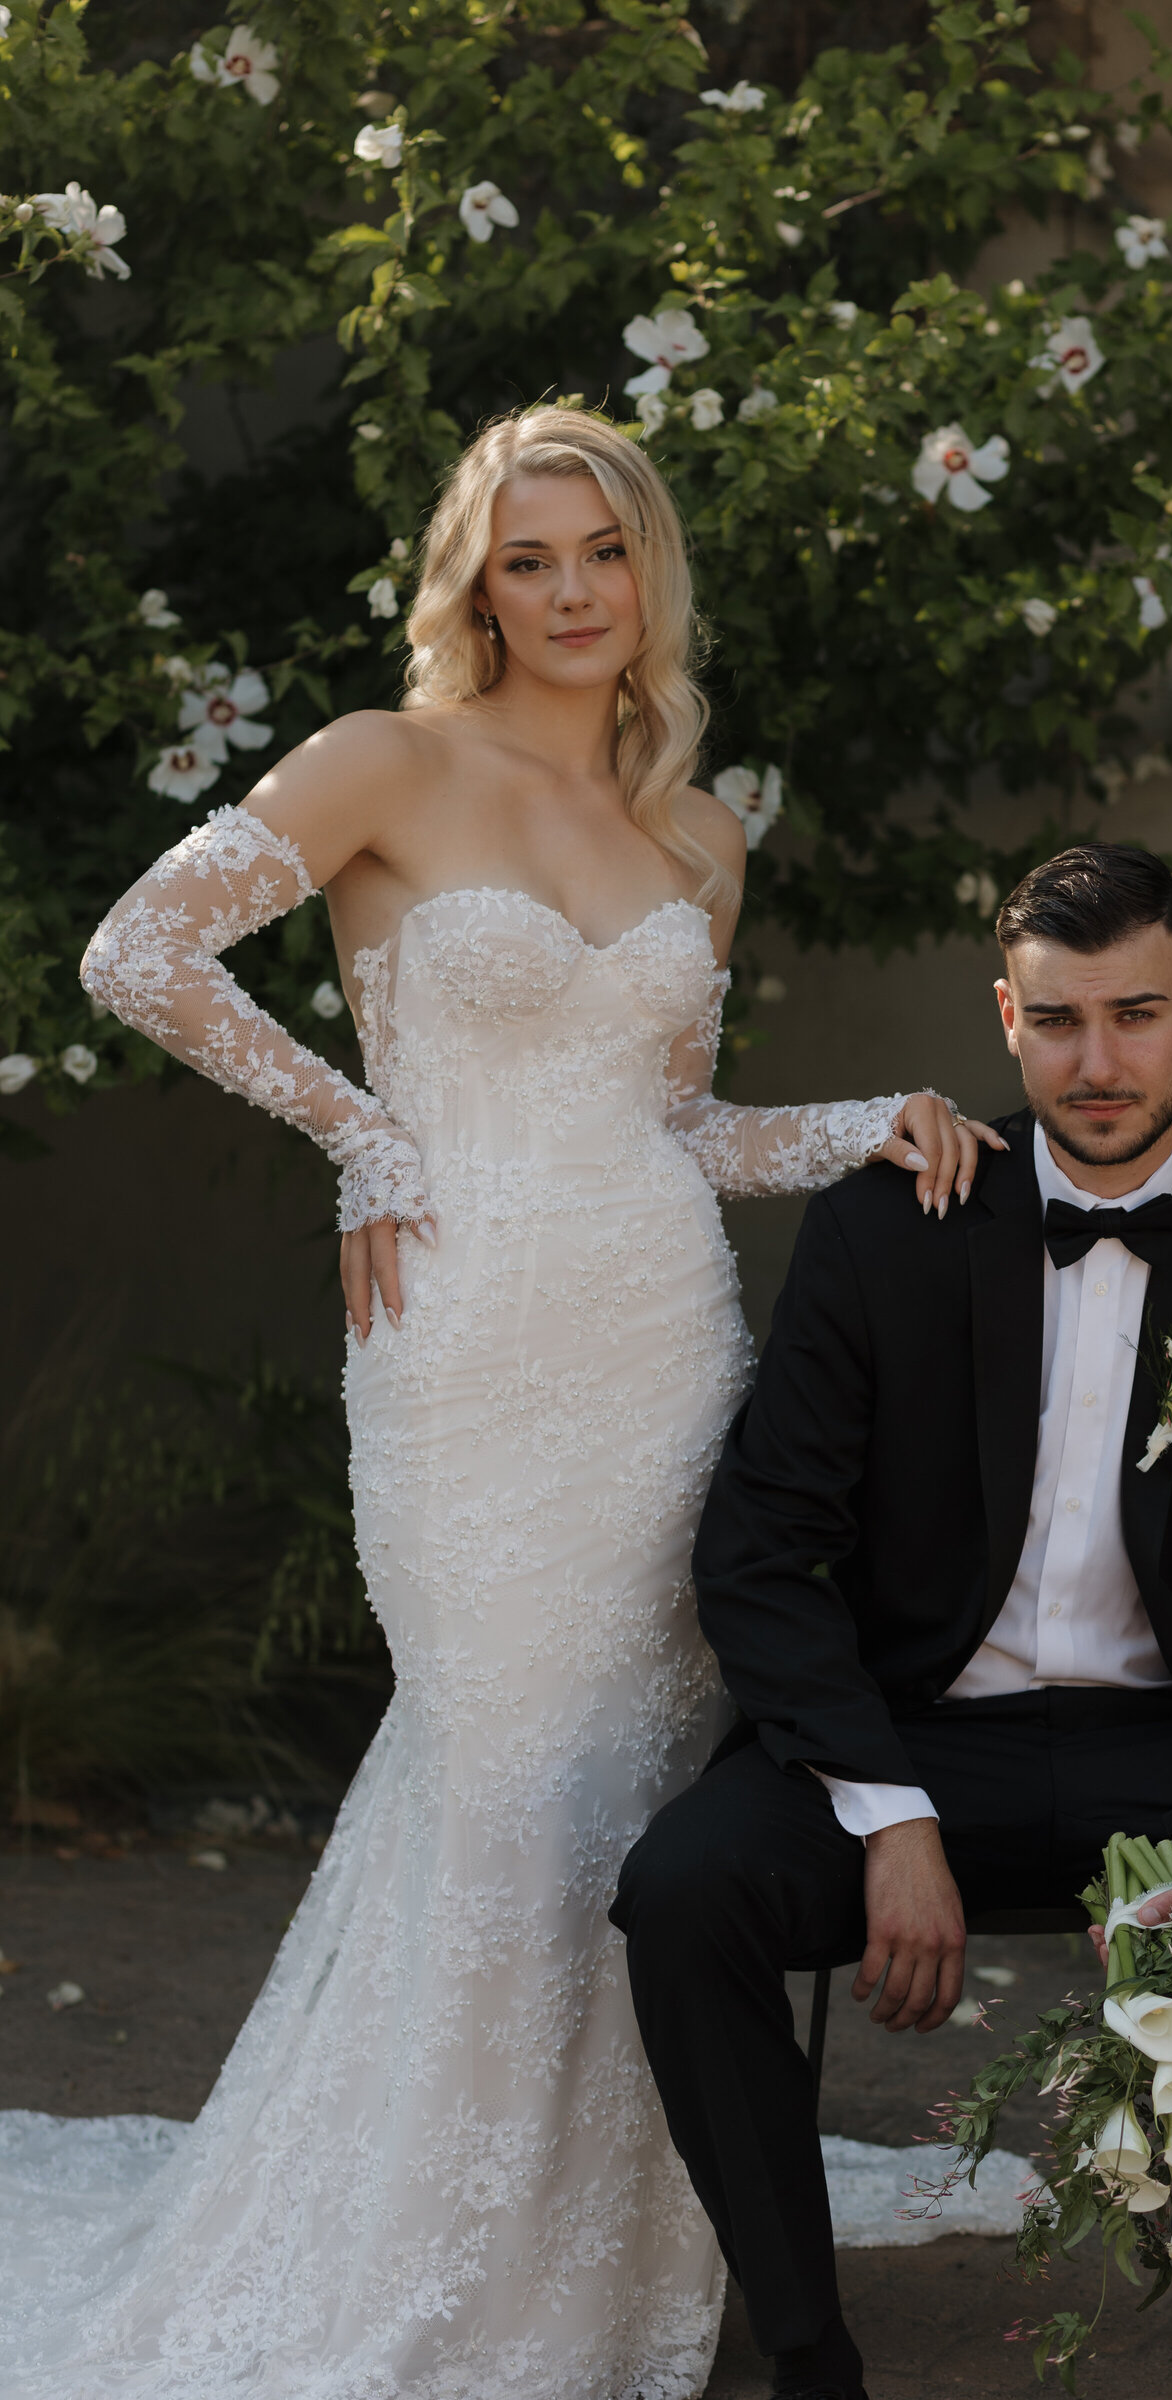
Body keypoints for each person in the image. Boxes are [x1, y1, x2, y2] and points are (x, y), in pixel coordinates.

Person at [0, 406, 1000, 2400]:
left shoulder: (693, 836)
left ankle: (617, 2244)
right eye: (525, 557)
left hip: (658, 1348)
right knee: (499, 1782)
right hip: (462, 1353)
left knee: (625, 1803)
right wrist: (355, 1132)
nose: (564, 593)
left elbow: (677, 1128)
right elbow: (139, 952)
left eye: (599, 556)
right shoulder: (386, 766)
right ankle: (430, 2257)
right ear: (474, 580)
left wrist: (859, 1123)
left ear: (648, 583)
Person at [615, 842, 1172, 2400]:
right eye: (1057, 1022)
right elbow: (761, 1555)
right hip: (918, 1747)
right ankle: (805, 2353)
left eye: (1136, 1015)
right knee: (684, 1889)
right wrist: (886, 1813)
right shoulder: (882, 1234)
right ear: (1004, 1017)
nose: (1097, 1063)